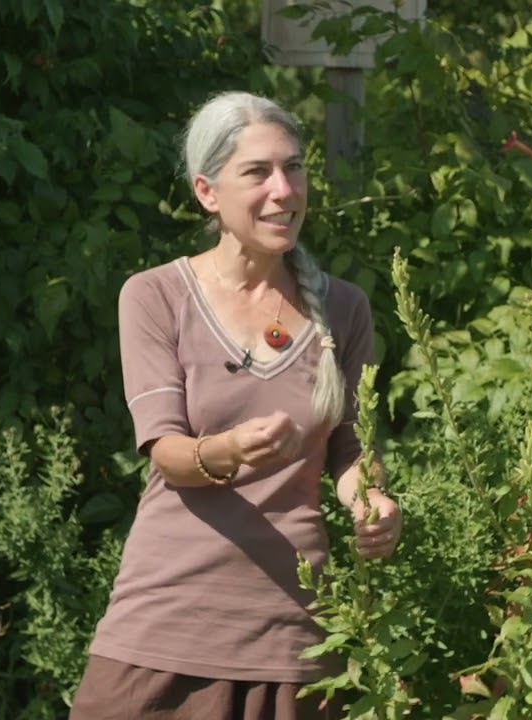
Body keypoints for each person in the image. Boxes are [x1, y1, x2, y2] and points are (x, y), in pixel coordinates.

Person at [70, 91, 403, 720]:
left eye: (294, 167)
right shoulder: (155, 295)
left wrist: (372, 501)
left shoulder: (345, 307)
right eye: (257, 172)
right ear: (208, 192)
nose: (284, 190)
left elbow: (352, 451)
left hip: (293, 635)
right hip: (164, 622)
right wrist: (228, 451)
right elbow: (167, 453)